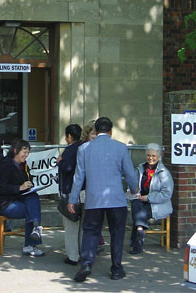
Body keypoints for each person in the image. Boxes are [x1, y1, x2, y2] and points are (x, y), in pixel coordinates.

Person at [68, 117, 138, 282]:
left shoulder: (84, 148)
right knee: (117, 233)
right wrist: (135, 187)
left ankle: (86, 264)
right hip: (116, 199)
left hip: (93, 199)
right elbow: (129, 173)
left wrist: (73, 199)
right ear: (111, 131)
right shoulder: (121, 148)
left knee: (90, 232)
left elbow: (79, 177)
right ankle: (116, 269)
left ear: (96, 131)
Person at [0, 139, 45, 257]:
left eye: (28, 152)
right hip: (3, 203)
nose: (26, 155)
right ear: (15, 151)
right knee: (31, 210)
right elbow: (0, 188)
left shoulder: (23, 165)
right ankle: (31, 244)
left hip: (17, 198)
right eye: (24, 152)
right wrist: (19, 188)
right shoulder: (4, 165)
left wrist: (30, 186)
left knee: (33, 197)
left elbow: (27, 180)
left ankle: (35, 231)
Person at [129, 143, 174, 254]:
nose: (151, 158)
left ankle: (138, 239)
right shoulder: (140, 168)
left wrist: (148, 198)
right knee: (136, 204)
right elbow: (133, 184)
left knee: (139, 212)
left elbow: (167, 194)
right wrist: (134, 191)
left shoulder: (164, 173)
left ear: (159, 156)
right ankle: (140, 229)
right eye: (149, 155)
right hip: (140, 200)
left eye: (153, 156)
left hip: (157, 204)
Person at [57, 124, 83, 265]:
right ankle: (83, 252)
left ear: (69, 137)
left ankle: (73, 256)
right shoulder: (85, 148)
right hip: (85, 191)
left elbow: (67, 167)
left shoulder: (69, 150)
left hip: (71, 190)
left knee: (71, 225)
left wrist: (60, 162)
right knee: (82, 227)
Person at [81, 120, 105, 249]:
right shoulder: (83, 149)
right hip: (86, 188)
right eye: (93, 134)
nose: (95, 137)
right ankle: (92, 243)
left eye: (97, 134)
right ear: (87, 134)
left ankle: (96, 240)